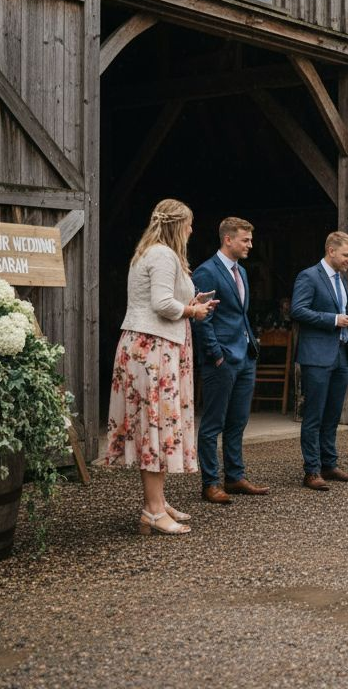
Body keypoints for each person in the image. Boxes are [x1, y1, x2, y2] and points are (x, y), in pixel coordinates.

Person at [105, 199, 216, 536]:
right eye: (190, 224)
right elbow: (162, 304)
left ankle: (158, 501)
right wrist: (192, 311)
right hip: (154, 349)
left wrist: (191, 304)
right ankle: (152, 510)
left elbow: (164, 300)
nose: (192, 230)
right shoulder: (163, 255)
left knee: (158, 426)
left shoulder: (152, 253)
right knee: (156, 424)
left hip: (154, 344)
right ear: (176, 225)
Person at [191, 216, 270, 505]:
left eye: (250, 239)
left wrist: (251, 347)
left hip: (245, 356)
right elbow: (202, 319)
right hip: (221, 359)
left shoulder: (243, 272)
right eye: (245, 240)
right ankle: (210, 483)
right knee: (213, 423)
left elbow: (240, 313)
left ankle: (235, 477)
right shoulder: (206, 272)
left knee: (238, 421)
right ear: (228, 239)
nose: (250, 244)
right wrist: (216, 355)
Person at [291, 231, 348, 491]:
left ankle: (329, 464)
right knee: (314, 415)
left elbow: (343, 311)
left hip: (341, 355)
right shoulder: (308, 276)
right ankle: (311, 470)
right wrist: (333, 320)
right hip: (317, 356)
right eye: (346, 255)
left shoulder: (342, 280)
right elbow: (297, 310)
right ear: (331, 251)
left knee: (332, 414)